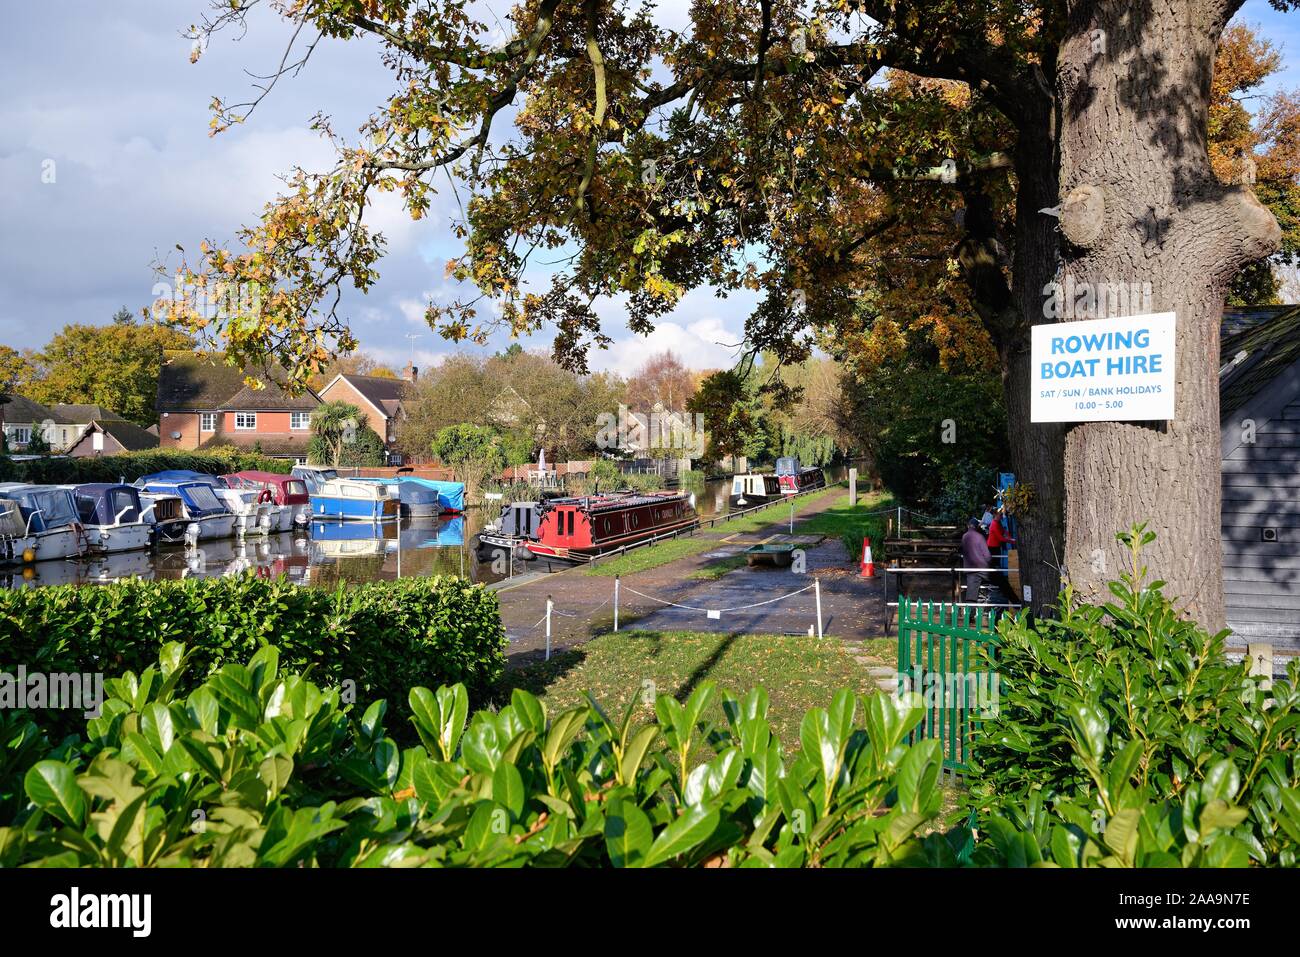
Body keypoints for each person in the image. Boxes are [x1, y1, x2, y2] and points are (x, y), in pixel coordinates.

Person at [960, 517, 992, 602]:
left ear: (968, 526)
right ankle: (1015, 602)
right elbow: (988, 556)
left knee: (971, 594)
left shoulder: (964, 537)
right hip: (983, 569)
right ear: (977, 526)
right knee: (1001, 581)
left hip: (970, 569)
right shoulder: (980, 537)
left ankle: (970, 613)